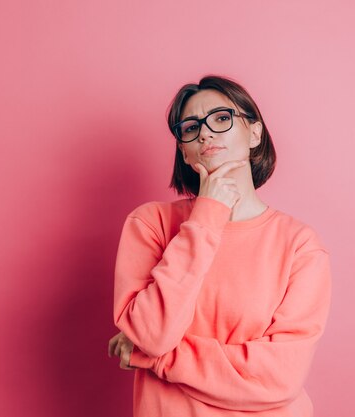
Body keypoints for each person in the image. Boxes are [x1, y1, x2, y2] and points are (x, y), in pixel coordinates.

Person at [107, 75, 331, 417]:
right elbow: (153, 334)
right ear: (183, 148)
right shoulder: (150, 224)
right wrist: (208, 215)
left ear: (254, 133)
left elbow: (278, 378)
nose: (206, 133)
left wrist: (151, 356)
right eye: (191, 127)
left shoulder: (299, 244)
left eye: (222, 118)